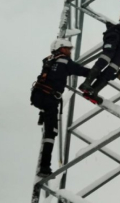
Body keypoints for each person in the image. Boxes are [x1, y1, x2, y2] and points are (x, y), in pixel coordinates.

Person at [30, 38, 90, 177]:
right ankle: (44, 167)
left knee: (48, 118)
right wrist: (98, 72)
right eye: (67, 48)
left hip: (38, 96)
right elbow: (80, 70)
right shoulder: (64, 61)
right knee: (51, 133)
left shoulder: (49, 60)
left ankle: (43, 115)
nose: (69, 51)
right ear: (60, 48)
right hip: (50, 98)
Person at [78, 21, 120, 104]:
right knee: (106, 57)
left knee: (114, 66)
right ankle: (86, 83)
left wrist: (117, 75)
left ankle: (93, 92)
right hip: (114, 36)